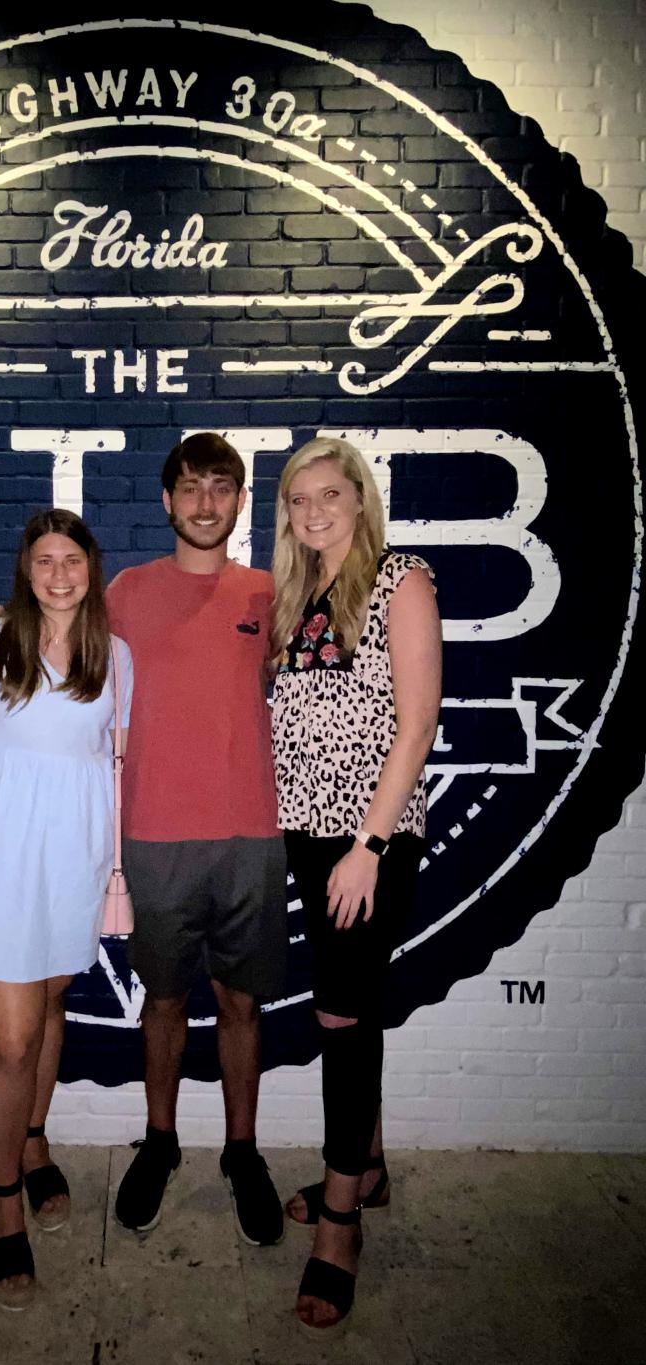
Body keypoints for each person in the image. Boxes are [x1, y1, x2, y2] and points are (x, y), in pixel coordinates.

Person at [0, 431, 288, 1248]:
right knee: (164, 1001)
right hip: (153, 834)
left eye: (222, 487)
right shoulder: (128, 594)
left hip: (252, 831)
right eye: (191, 487)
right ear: (167, 500)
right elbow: (43, 622)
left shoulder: (269, 593)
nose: (206, 502)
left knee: (242, 1002)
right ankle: (160, 1141)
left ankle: (242, 1150)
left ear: (240, 500)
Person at [269, 437, 441, 1333]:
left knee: (340, 1012)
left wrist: (368, 844)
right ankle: (365, 1167)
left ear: (359, 498)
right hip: (306, 833)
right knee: (352, 1001)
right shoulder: (295, 592)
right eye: (299, 499)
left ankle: (340, 1223)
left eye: (329, 494)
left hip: (368, 838)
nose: (314, 511)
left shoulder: (399, 579)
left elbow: (417, 725)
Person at [0, 509, 132, 1310]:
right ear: (25, 571)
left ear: (91, 569)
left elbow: (115, 760)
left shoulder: (116, 656)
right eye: (44, 560)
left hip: (75, 857)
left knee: (52, 1001)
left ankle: (32, 1141)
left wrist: (117, 865)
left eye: (72, 560)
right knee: (10, 1036)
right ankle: (2, 1204)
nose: (59, 574)